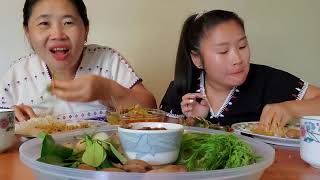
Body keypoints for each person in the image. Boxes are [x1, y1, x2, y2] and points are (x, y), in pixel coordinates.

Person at [160, 10, 320, 131]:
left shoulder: (266, 80)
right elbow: (164, 143)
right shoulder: (181, 89)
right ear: (197, 59)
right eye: (223, 51)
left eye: (242, 46)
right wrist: (193, 123)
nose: (238, 59)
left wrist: (291, 108)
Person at [0, 0, 156, 121]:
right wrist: (8, 120)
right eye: (44, 23)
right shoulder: (17, 75)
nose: (58, 34)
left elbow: (151, 111)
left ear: (86, 29)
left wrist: (107, 90)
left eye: (68, 22)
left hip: (106, 161)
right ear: (27, 32)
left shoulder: (108, 61)